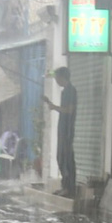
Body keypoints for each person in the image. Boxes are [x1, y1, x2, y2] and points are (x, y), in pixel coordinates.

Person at [46, 66, 78, 198]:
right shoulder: (65, 91)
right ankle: (65, 186)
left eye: (57, 77)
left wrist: (54, 107)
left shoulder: (71, 91)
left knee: (66, 158)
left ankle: (69, 188)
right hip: (62, 128)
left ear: (62, 77)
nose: (56, 80)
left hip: (67, 130)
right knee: (61, 157)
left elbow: (69, 110)